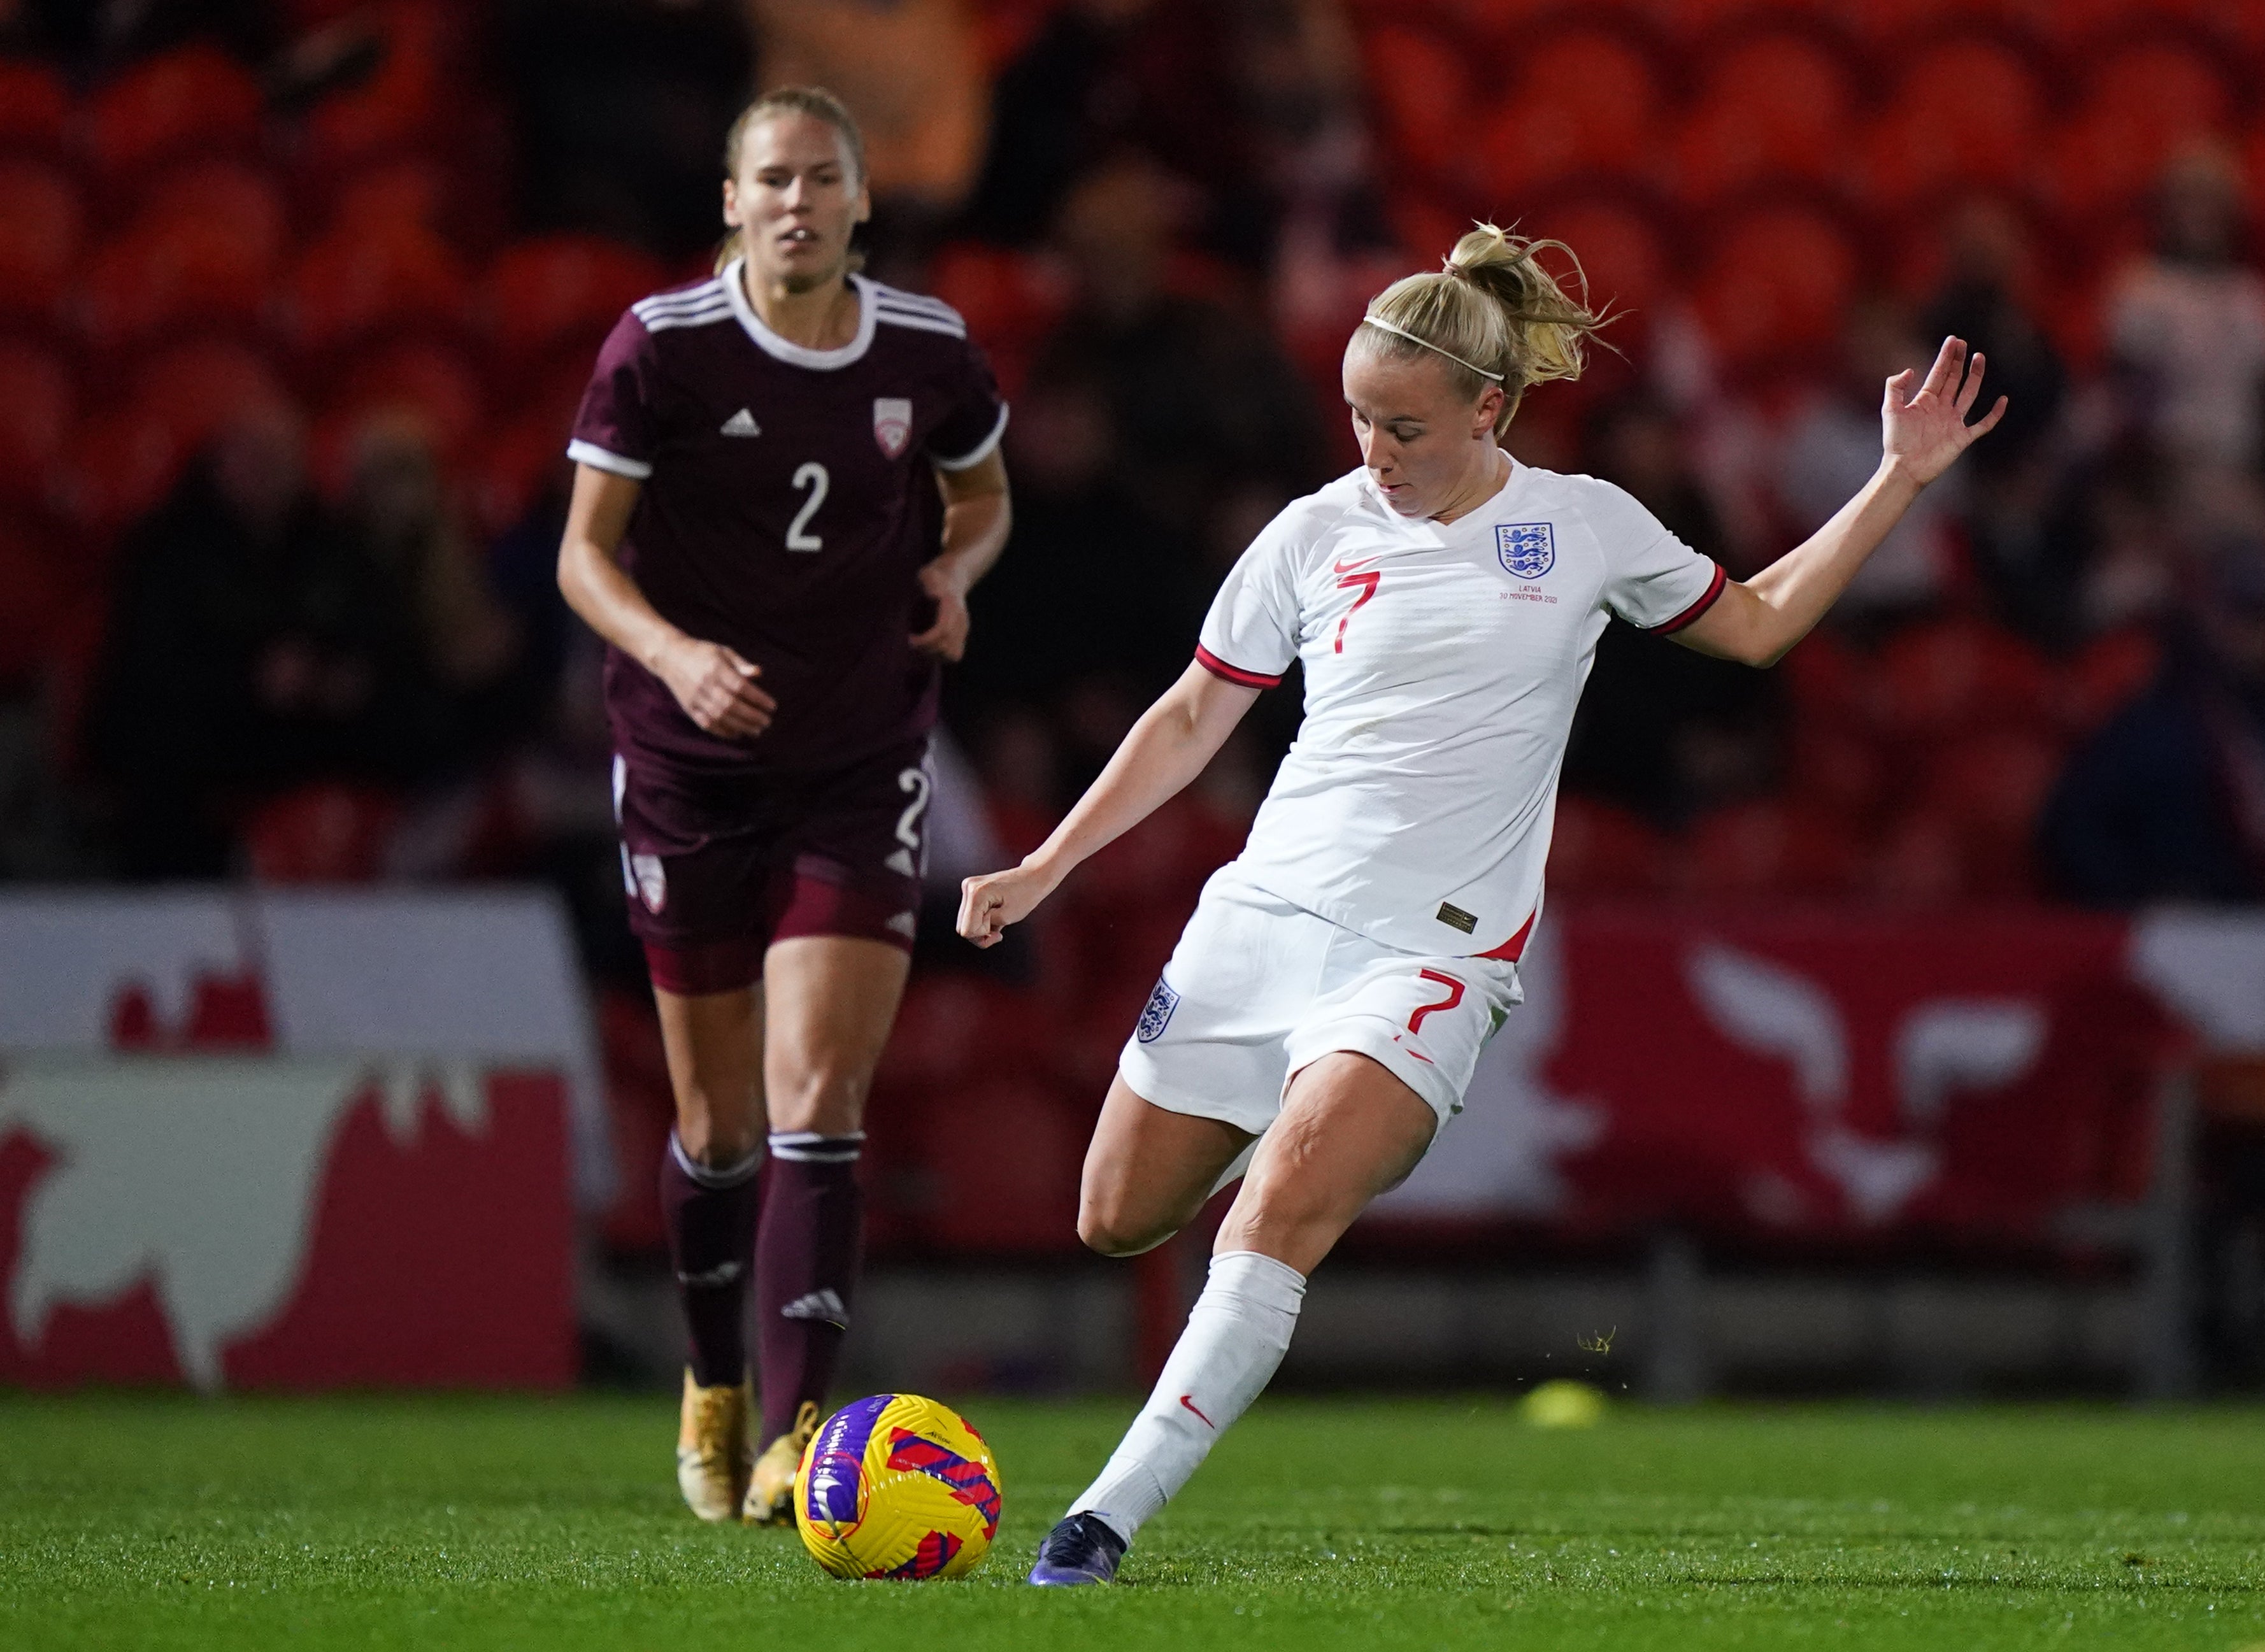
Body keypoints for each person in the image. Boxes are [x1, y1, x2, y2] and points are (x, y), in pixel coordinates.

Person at [955, 224, 2002, 1584]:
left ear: (1487, 410)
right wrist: (1048, 862)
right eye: (1353, 418)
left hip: (1426, 958)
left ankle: (1098, 1521)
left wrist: (1891, 482)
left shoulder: (1578, 525)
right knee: (1113, 1215)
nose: (1373, 452)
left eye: (1401, 426)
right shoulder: (1309, 533)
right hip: (1259, 919)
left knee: (1270, 1212)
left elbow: (1752, 624)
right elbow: (1191, 712)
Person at [555, 86, 1011, 1524]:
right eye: (774, 181)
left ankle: (800, 1438)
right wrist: (677, 655)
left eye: (823, 179)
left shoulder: (927, 346)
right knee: (717, 1121)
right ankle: (710, 1378)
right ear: (733, 204)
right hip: (690, 766)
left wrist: (956, 573)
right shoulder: (663, 347)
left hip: (858, 754)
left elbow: (983, 498)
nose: (800, 203)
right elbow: (583, 557)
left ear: (860, 201)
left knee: (820, 1099)